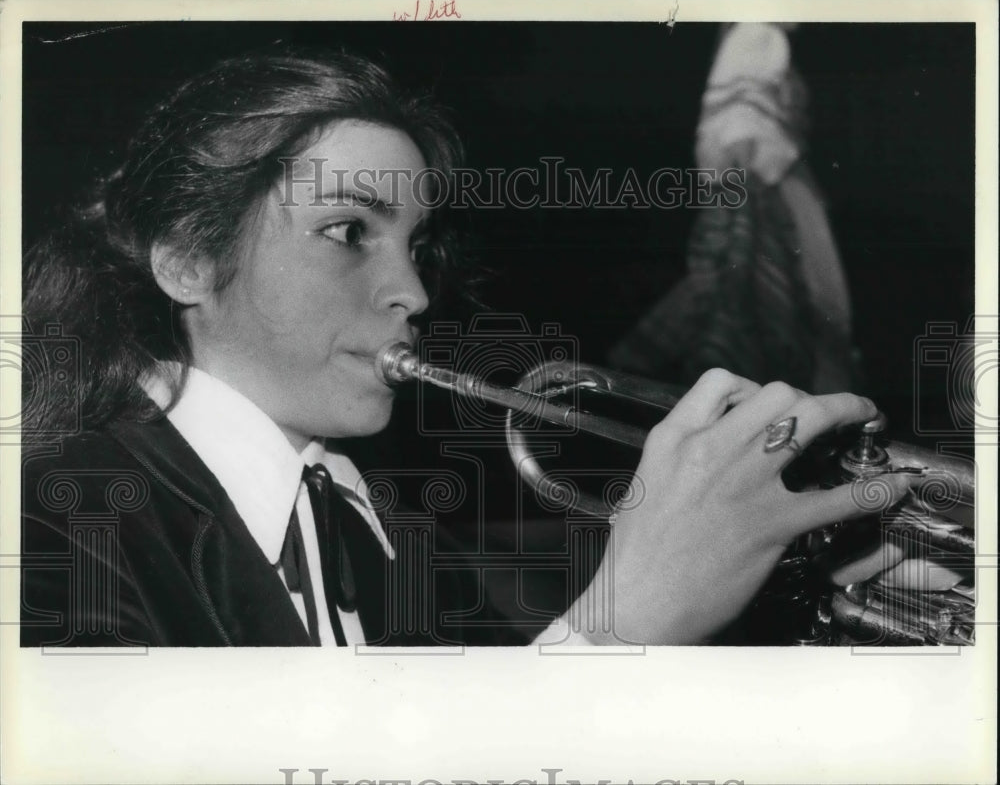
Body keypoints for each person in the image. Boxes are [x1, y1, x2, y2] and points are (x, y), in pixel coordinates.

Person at [19, 48, 912, 647]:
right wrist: (622, 625)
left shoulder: (380, 527)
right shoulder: (55, 519)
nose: (412, 291)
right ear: (186, 258)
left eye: (417, 244)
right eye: (348, 231)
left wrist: (800, 584)